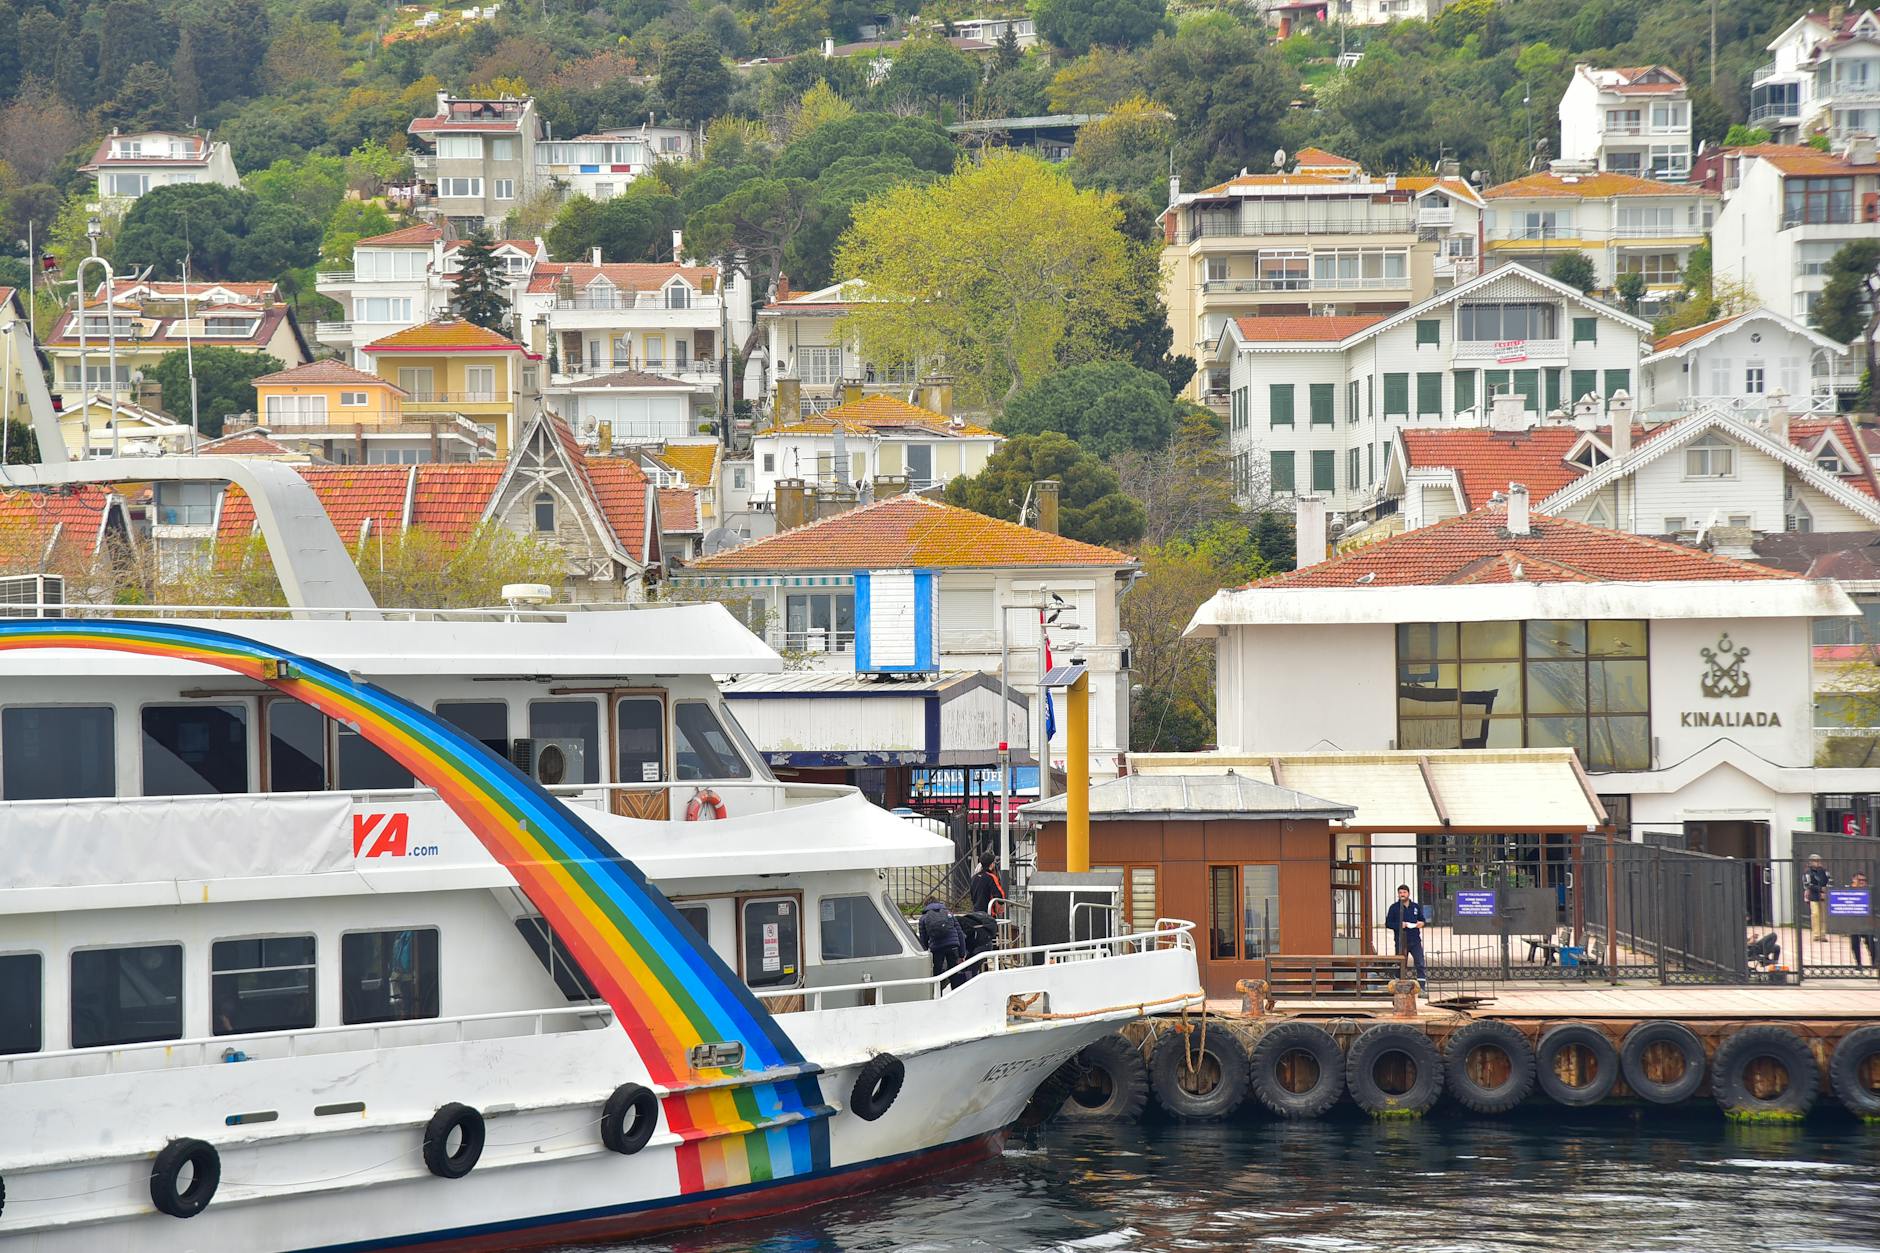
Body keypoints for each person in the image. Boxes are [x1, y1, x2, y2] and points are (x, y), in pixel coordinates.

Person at [916, 898, 966, 988]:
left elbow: (923, 939)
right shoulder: (949, 914)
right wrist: (962, 954)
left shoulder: (924, 918)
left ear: (926, 905)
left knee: (937, 975)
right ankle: (955, 996)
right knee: (954, 973)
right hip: (953, 946)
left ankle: (938, 996)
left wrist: (926, 952)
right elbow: (960, 934)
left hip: (937, 948)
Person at [1385, 884, 1429, 985]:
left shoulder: (1415, 907)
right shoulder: (1394, 907)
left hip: (1415, 940)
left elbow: (1422, 920)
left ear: (1408, 893)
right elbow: (1388, 923)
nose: (1402, 894)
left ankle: (1422, 987)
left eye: (1404, 892)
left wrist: (1421, 923)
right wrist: (1399, 925)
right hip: (1401, 941)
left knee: (1420, 963)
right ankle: (1398, 985)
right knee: (1400, 964)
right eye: (1400, 893)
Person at [1850, 873, 1877, 973]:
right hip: (1854, 923)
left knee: (1871, 943)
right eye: (1859, 880)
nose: (1862, 882)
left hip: (1867, 922)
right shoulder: (1849, 891)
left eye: (1864, 880)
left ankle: (1875, 962)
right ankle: (1858, 964)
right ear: (1853, 880)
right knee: (1855, 944)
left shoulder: (1869, 891)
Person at [1804, 853, 1832, 943]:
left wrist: (1825, 891)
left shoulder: (1824, 871)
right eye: (1815, 861)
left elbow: (1829, 881)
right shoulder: (1808, 872)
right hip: (1813, 895)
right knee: (1815, 914)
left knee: (1823, 916)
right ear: (1811, 862)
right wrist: (1820, 889)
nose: (1817, 863)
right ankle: (1816, 935)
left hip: (1823, 895)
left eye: (1818, 861)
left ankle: (1823, 935)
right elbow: (1807, 884)